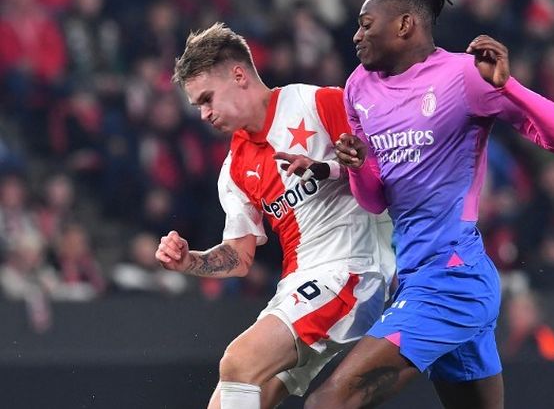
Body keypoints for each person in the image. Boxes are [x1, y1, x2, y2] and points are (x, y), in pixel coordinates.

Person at [305, 0, 554, 408]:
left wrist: (508, 86)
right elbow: (375, 199)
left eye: (365, 23)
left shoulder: (465, 76)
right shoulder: (358, 88)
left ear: (404, 24)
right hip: (417, 276)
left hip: (452, 278)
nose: (355, 36)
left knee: (329, 401)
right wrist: (359, 166)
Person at [155, 23, 395, 409]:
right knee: (225, 402)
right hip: (300, 288)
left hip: (353, 272)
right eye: (198, 105)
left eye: (207, 99)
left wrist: (328, 169)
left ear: (238, 75)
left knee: (239, 362)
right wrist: (189, 262)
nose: (203, 114)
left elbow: (383, 176)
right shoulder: (234, 170)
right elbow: (238, 258)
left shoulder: (319, 104)